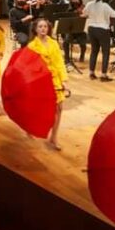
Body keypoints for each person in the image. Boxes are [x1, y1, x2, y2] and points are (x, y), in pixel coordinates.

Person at [27, 18, 69, 151]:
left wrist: (64, 81)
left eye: (45, 26)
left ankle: (53, 137)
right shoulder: (32, 46)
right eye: (40, 27)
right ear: (35, 29)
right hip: (40, 79)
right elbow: (29, 66)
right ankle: (30, 126)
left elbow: (59, 63)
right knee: (39, 109)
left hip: (55, 79)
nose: (43, 29)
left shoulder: (54, 43)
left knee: (59, 108)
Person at [85, 0, 115, 81]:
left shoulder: (89, 4)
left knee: (94, 51)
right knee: (105, 52)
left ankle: (91, 73)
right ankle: (103, 75)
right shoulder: (105, 5)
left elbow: (85, 13)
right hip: (102, 30)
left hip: (91, 29)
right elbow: (114, 14)